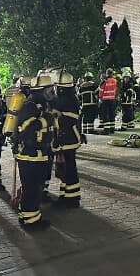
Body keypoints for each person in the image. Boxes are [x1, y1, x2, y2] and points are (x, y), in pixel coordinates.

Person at [12, 72, 56, 231]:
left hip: (39, 155)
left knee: (35, 189)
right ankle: (31, 223)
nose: (51, 94)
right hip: (29, 156)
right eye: (48, 91)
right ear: (39, 91)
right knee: (31, 189)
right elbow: (24, 130)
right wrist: (46, 120)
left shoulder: (41, 106)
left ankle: (29, 217)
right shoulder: (28, 106)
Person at [50, 71, 82, 207]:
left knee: (69, 169)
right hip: (66, 139)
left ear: (61, 87)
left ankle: (72, 199)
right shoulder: (67, 98)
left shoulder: (69, 100)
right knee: (64, 168)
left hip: (68, 139)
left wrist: (56, 116)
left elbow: (68, 120)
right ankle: (65, 195)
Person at [97, 69, 117, 134]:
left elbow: (101, 90)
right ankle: (112, 129)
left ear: (107, 73)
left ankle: (106, 130)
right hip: (112, 99)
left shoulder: (105, 81)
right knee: (112, 114)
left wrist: (100, 98)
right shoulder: (114, 81)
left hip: (105, 100)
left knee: (106, 115)